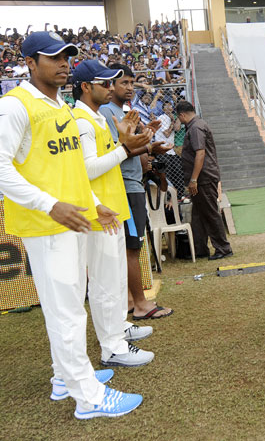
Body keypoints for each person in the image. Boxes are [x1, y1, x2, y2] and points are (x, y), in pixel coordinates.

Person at [0, 31, 143, 419]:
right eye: (52, 57)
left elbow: (70, 171)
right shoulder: (14, 106)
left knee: (69, 306)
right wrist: (49, 205)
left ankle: (64, 376)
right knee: (67, 311)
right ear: (29, 62)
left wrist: (94, 205)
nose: (62, 63)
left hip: (71, 219)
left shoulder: (60, 108)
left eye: (66, 57)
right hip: (46, 224)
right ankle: (88, 396)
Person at [72, 59, 158, 368]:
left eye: (112, 82)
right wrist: (124, 147)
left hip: (112, 206)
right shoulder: (81, 120)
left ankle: (118, 328)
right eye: (105, 83)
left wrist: (125, 140)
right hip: (101, 212)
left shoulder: (92, 118)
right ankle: (112, 347)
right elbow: (87, 168)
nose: (111, 88)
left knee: (115, 277)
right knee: (105, 281)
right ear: (85, 87)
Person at [99, 63, 174, 320]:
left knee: (129, 247)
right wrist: (149, 147)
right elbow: (120, 152)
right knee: (133, 247)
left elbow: (130, 147)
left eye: (132, 83)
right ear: (111, 85)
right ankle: (141, 305)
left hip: (131, 183)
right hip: (124, 186)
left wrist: (148, 140)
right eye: (124, 83)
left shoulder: (123, 112)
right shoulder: (108, 113)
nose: (130, 88)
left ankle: (131, 300)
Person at [176, 100, 233, 260]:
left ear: (182, 115)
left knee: (209, 213)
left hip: (203, 178)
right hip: (202, 177)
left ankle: (223, 248)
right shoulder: (197, 125)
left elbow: (200, 153)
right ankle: (200, 249)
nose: (179, 121)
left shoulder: (195, 128)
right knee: (198, 215)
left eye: (178, 118)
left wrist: (193, 179)